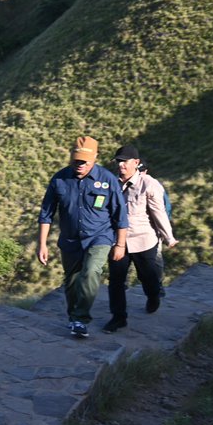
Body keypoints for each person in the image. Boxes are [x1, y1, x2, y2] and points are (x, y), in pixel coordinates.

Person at [37, 136, 128, 338]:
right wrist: (42, 244)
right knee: (72, 281)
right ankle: (74, 318)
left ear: (95, 158)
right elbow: (46, 213)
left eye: (84, 162)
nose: (79, 165)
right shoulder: (59, 179)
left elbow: (120, 215)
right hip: (70, 239)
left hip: (100, 237)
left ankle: (81, 317)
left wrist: (120, 244)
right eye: (76, 160)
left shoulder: (107, 180)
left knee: (91, 272)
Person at [103, 145, 178, 332]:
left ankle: (153, 297)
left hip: (144, 240)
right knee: (116, 280)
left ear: (136, 163)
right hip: (118, 242)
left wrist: (169, 237)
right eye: (118, 161)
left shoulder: (149, 184)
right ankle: (118, 317)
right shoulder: (112, 183)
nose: (121, 165)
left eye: (125, 161)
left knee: (148, 277)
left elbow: (158, 213)